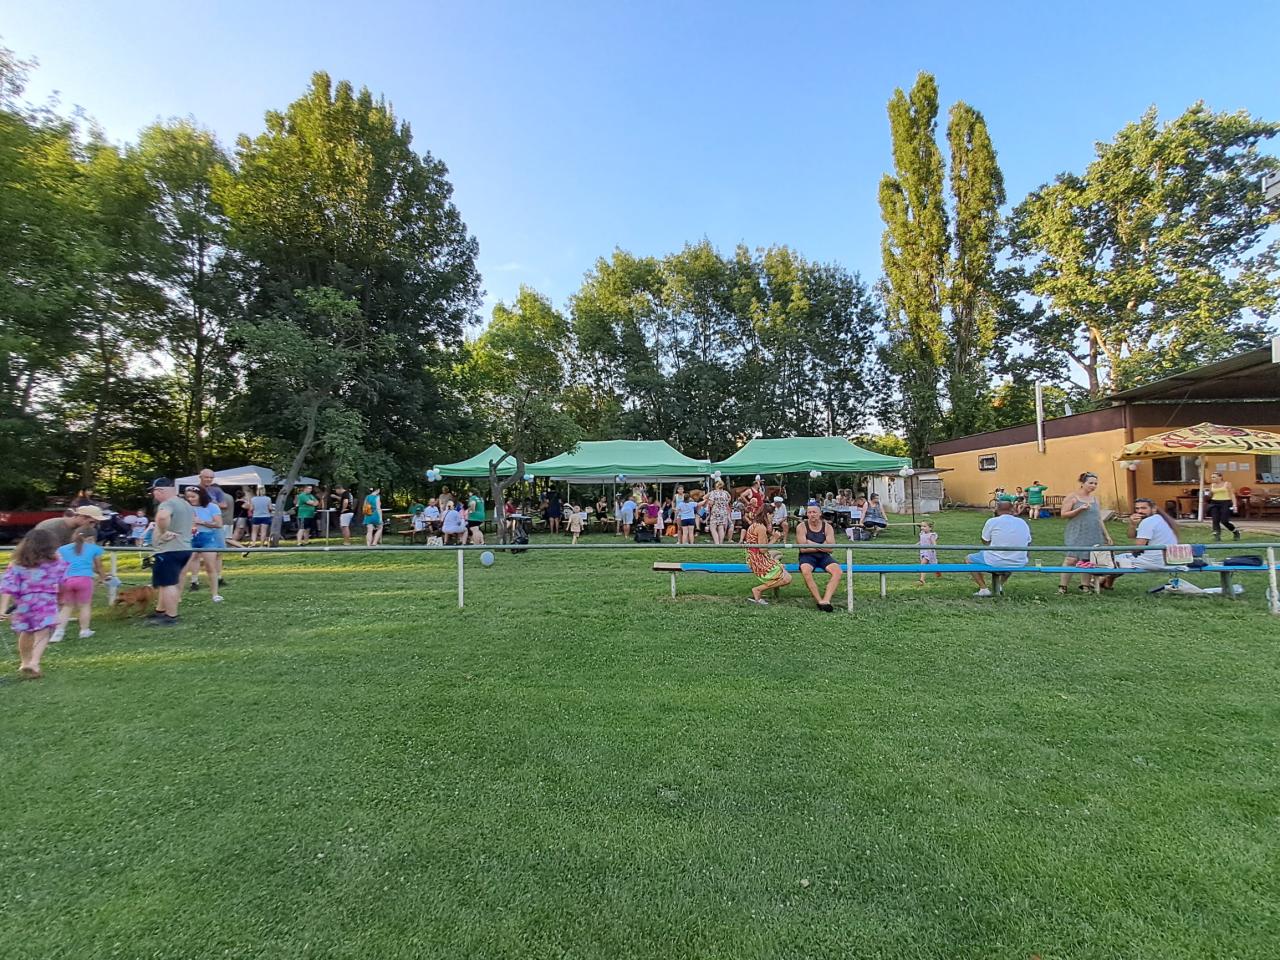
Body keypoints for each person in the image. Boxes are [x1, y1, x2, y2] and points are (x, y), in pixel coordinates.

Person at [2, 527, 68, 678]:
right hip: (46, 602)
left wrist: (3, 608)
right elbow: (63, 582)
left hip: (24, 603)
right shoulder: (56, 563)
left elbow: (7, 586)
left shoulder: (17, 563)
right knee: (43, 633)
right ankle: (34, 662)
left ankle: (24, 662)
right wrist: (61, 599)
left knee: (26, 632)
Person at [1097, 499, 1181, 588]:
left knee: (1112, 560)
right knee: (1122, 559)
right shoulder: (1162, 519)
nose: (1140, 511)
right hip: (1169, 561)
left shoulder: (1148, 522)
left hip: (1153, 562)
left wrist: (1131, 552)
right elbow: (1131, 535)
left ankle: (1098, 582)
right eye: (1137, 508)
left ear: (1154, 509)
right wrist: (1132, 524)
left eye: (1144, 508)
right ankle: (1107, 584)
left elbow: (1138, 547)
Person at [146, 477, 194, 626]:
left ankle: (171, 616)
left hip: (169, 549)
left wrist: (162, 531)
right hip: (184, 547)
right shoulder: (185, 503)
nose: (153, 495)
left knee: (168, 584)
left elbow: (162, 517)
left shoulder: (167, 503)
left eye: (154, 492)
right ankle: (160, 611)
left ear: (160, 491)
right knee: (165, 582)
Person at [1059, 471, 1113, 593]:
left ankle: (1085, 586)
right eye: (1090, 483)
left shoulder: (1095, 499)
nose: (1093, 486)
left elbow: (1099, 518)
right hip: (1077, 532)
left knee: (1088, 560)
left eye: (1095, 484)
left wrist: (1106, 535)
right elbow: (1063, 514)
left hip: (1093, 532)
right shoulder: (1072, 497)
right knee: (1071, 559)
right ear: (1082, 483)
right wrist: (1079, 509)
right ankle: (1063, 587)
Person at [50, 527, 105, 642]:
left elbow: (57, 564)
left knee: (67, 607)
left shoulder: (63, 549)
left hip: (67, 580)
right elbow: (99, 566)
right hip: (85, 579)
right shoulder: (95, 548)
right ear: (92, 538)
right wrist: (103, 577)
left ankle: (58, 632)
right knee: (84, 606)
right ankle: (84, 630)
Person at [967, 501, 1032, 597]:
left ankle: (983, 588)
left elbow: (985, 541)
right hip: (1018, 561)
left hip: (996, 560)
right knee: (1010, 557)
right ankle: (1000, 585)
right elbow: (1028, 542)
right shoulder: (1022, 522)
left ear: (997, 510)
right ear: (1013, 510)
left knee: (969, 559)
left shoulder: (992, 521)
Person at [796, 502, 842, 612]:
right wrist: (822, 545)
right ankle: (819, 601)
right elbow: (803, 549)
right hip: (807, 557)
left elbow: (830, 548)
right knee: (806, 571)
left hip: (824, 557)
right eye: (809, 512)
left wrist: (810, 543)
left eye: (814, 512)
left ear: (820, 513)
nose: (812, 515)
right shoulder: (801, 527)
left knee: (838, 571)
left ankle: (826, 600)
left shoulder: (827, 527)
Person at [184, 486, 225, 602]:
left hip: (207, 538)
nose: (190, 499)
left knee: (210, 566)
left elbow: (218, 524)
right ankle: (187, 587)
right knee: (185, 566)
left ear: (201, 496)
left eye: (193, 497)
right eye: (188, 497)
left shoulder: (212, 507)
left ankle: (215, 594)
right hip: (190, 538)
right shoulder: (186, 507)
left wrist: (202, 522)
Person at [744, 505, 791, 605]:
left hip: (752, 556)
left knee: (778, 554)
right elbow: (763, 549)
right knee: (787, 579)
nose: (773, 517)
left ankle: (777, 569)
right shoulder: (761, 528)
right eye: (772, 515)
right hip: (757, 559)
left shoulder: (755, 525)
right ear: (767, 514)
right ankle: (758, 590)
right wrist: (774, 538)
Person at [1205, 472, 1240, 542]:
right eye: (1212, 477)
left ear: (1220, 477)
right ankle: (1217, 536)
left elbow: (1232, 494)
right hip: (1214, 503)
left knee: (1224, 521)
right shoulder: (1212, 485)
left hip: (1225, 502)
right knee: (1215, 520)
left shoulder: (1227, 484)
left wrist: (1234, 505)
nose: (1212, 479)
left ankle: (1235, 532)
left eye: (1214, 477)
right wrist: (1207, 494)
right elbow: (1210, 495)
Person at [705, 480, 731, 545]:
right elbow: (728, 499)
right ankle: (721, 543)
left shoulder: (713, 493)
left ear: (716, 486)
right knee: (721, 527)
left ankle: (717, 543)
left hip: (715, 511)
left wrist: (708, 502)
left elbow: (711, 503)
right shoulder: (725, 493)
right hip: (723, 512)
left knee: (712, 527)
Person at [916, 521, 941, 585]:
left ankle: (922, 580)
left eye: (924, 526)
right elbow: (922, 541)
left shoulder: (931, 535)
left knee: (923, 564)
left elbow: (934, 543)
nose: (922, 528)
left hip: (929, 552)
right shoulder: (922, 534)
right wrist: (916, 544)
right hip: (923, 551)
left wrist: (934, 548)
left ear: (930, 528)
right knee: (933, 565)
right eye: (921, 526)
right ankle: (938, 571)